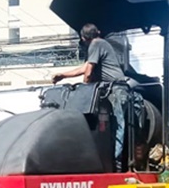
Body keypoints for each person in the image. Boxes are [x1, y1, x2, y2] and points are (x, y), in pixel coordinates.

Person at [52, 23, 131, 171]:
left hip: (117, 89)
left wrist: (85, 90)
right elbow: (85, 67)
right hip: (111, 89)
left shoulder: (96, 44)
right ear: (97, 32)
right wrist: (63, 75)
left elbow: (88, 72)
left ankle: (116, 164)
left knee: (117, 126)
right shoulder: (100, 44)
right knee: (107, 126)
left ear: (83, 38)